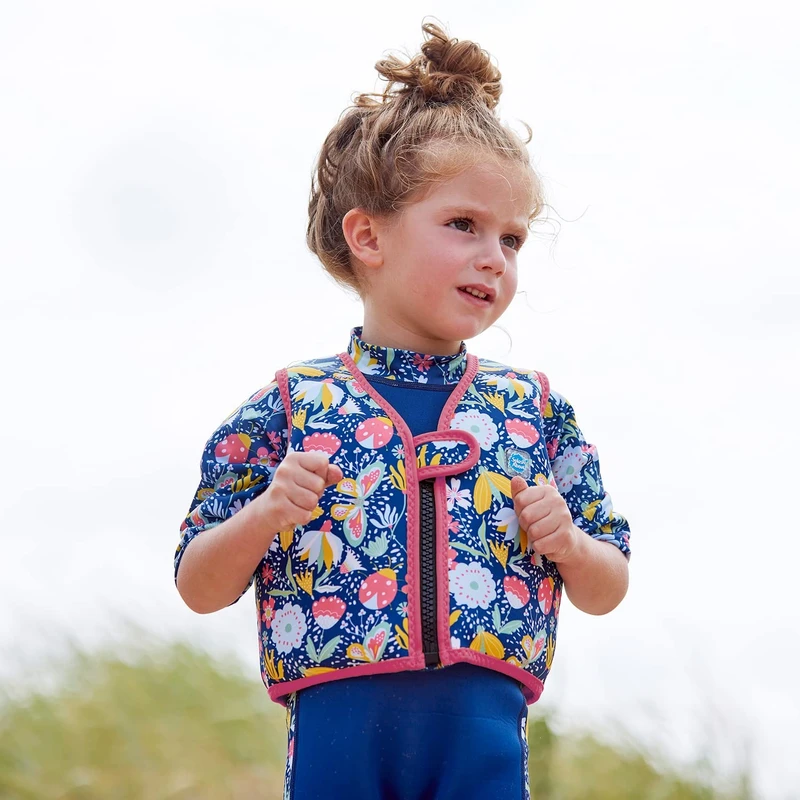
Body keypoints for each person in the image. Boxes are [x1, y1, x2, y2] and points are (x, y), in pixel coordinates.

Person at [175, 20, 631, 800]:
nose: (494, 257)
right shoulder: (288, 407)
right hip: (337, 724)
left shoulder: (534, 411)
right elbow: (198, 583)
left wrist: (570, 544)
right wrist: (266, 514)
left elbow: (608, 583)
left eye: (513, 239)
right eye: (463, 225)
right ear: (367, 236)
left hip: (483, 728)